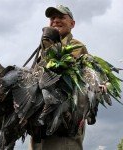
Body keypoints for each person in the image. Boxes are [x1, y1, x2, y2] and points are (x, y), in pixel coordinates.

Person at [30, 5, 88, 150]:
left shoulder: (76, 46)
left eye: (61, 17)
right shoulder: (43, 49)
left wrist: (49, 42)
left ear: (72, 24)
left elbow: (60, 71)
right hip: (41, 125)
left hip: (64, 123)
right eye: (52, 18)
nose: (55, 20)